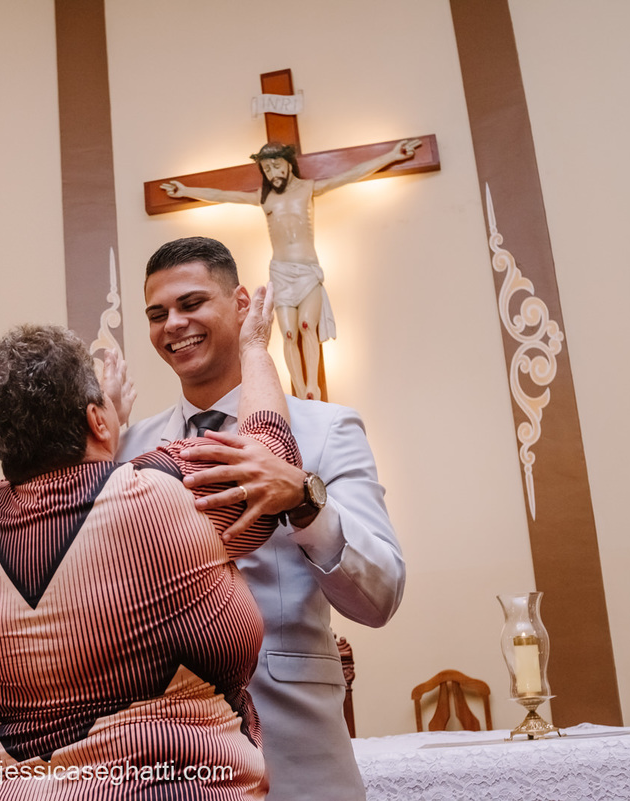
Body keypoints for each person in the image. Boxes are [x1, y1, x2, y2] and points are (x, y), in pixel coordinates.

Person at [0, 284, 299, 798]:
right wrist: (252, 346)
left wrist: (100, 425)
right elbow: (268, 457)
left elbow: (62, 487)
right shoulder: (162, 485)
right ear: (96, 420)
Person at [118, 236, 405, 801]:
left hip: (296, 748)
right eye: (157, 314)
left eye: (191, 303)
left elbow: (382, 595)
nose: (173, 325)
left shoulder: (327, 429)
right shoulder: (130, 447)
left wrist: (302, 497)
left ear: (242, 305)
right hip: (169, 759)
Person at [161, 139, 421, 400]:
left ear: (288, 164)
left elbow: (351, 174)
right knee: (287, 333)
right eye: (267, 169)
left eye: (276, 166)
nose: (272, 173)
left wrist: (392, 156)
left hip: (307, 269)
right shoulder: (264, 199)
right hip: (281, 272)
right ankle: (299, 390)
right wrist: (186, 190)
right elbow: (223, 195)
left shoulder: (308, 189)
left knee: (307, 326)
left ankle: (312, 387)